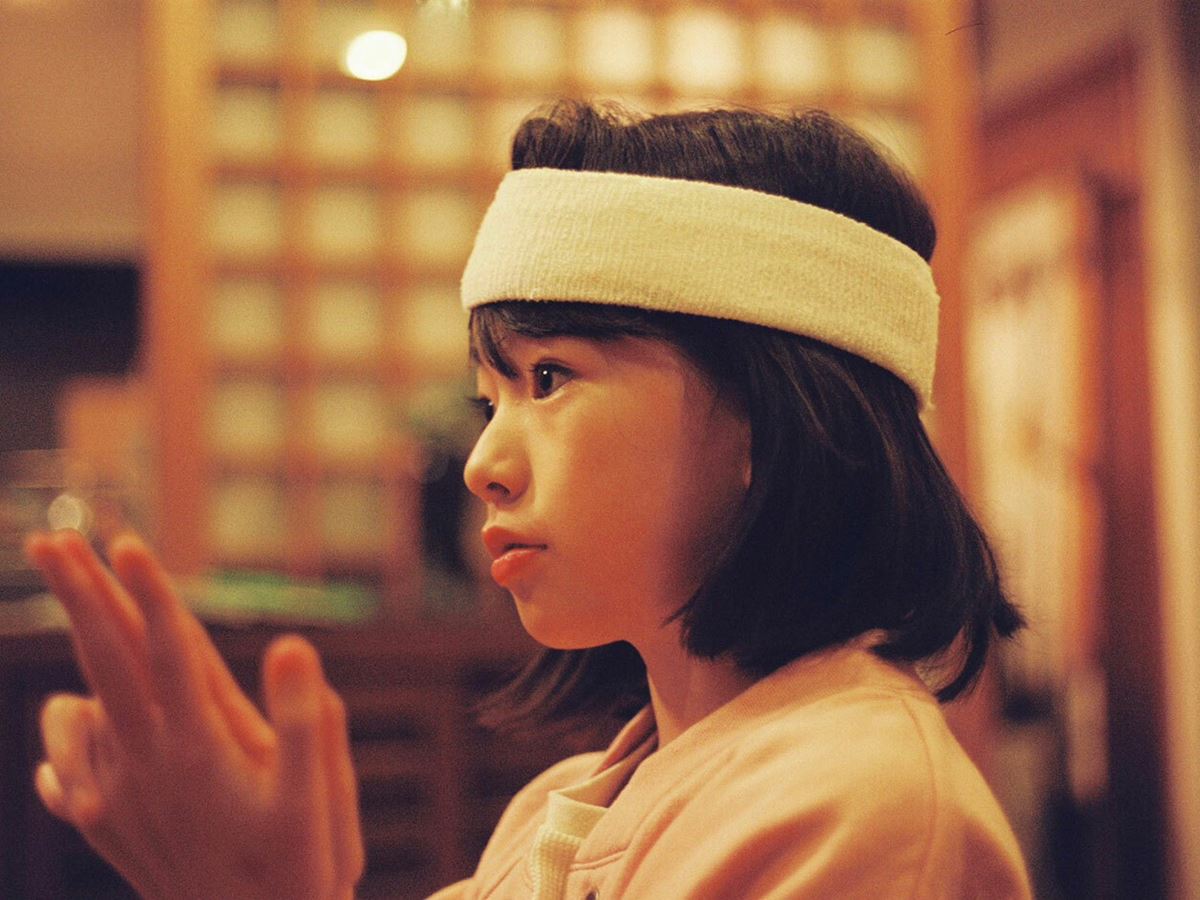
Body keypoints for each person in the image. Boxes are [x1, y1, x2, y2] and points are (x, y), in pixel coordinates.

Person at [26, 100, 1032, 899]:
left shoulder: (862, 809)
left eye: (548, 379)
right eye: (489, 397)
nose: (482, 463)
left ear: (769, 425)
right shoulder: (563, 803)